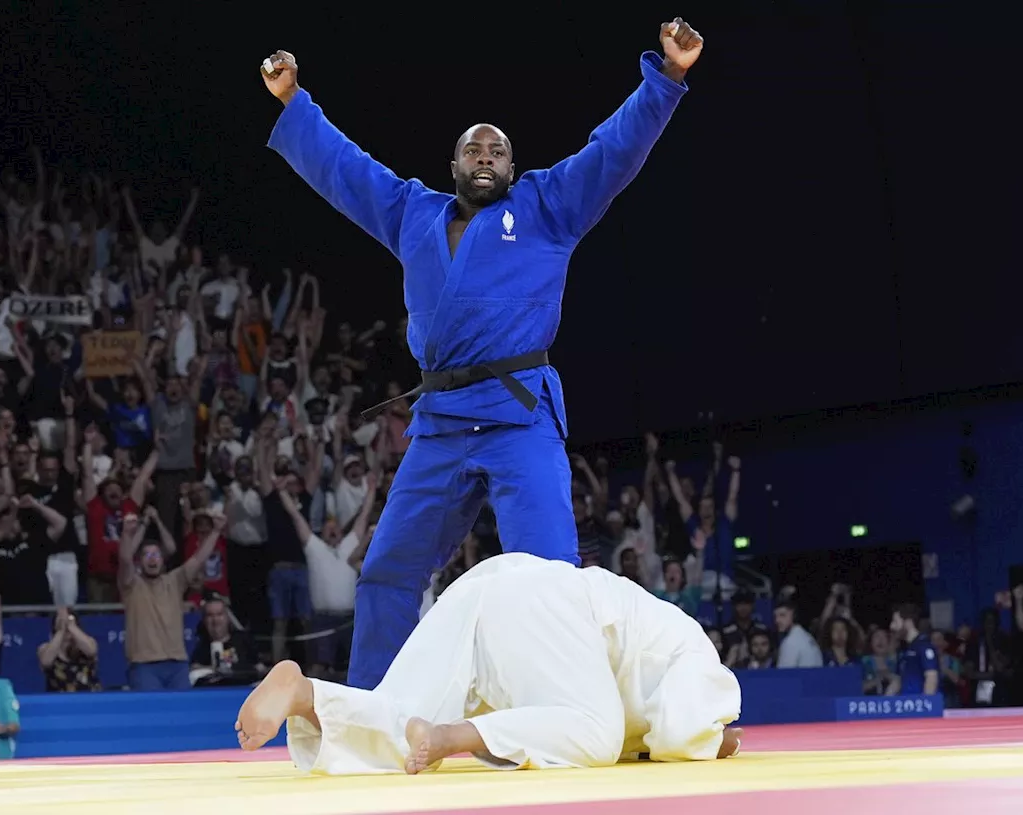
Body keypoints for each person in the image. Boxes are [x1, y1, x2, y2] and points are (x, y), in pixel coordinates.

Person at [259, 18, 705, 690]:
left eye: (497, 151)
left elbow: (612, 151)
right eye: (475, 152)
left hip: (518, 413)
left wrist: (667, 77)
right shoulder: (414, 214)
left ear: (513, 166)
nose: (487, 158)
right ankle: (375, 712)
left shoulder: (547, 207)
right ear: (455, 167)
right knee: (386, 571)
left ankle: (570, 704)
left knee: (549, 575)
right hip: (439, 421)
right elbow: (347, 171)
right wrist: (296, 101)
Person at [234, 552, 742, 775]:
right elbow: (681, 732)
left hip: (490, 592)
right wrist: (719, 742)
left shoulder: (663, 641)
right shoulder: (699, 655)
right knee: (599, 734)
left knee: (401, 724)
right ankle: (462, 736)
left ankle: (306, 695)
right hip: (548, 602)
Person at [888, 603, 939, 697]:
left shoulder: (924, 646)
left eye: (895, 622)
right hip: (906, 707)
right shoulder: (903, 649)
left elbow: (931, 678)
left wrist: (924, 707)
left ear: (908, 622)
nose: (892, 626)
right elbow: (897, 681)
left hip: (919, 708)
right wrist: (882, 703)